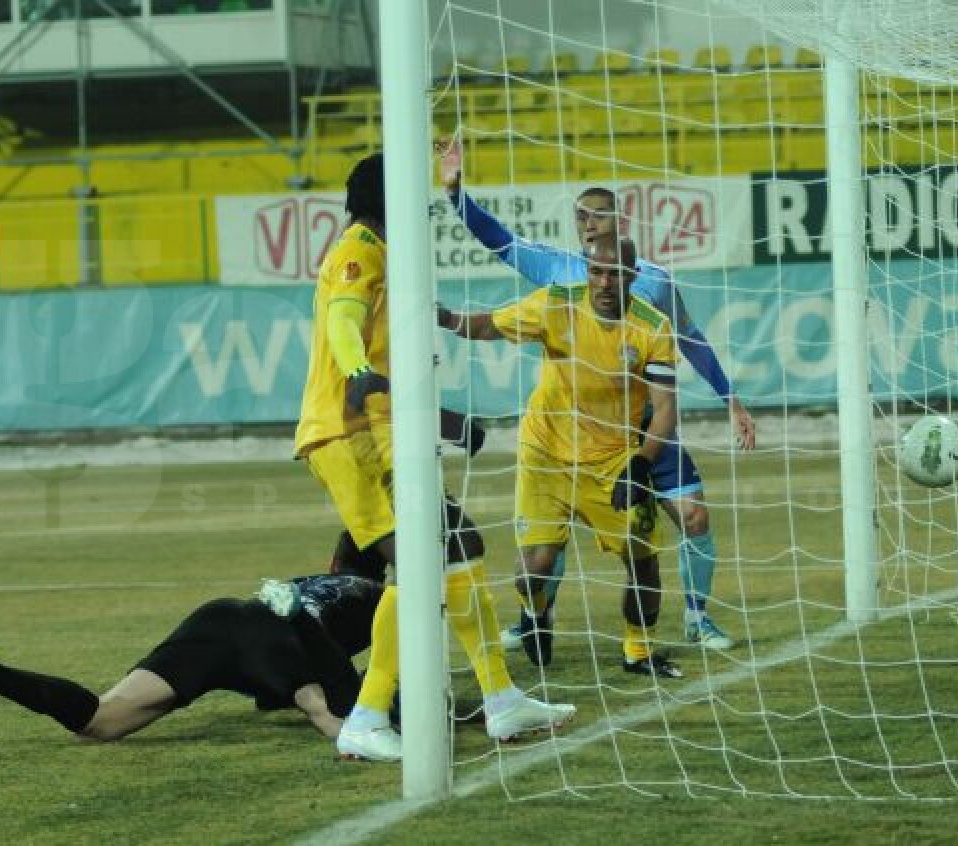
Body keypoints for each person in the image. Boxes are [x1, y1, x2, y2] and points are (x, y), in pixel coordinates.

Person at [294, 152, 576, 762]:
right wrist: (359, 370)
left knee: (460, 546)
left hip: (385, 429)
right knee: (424, 562)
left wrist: (440, 420)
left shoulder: (390, 255)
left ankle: (500, 698)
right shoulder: (360, 247)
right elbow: (344, 321)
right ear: (387, 198)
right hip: (349, 436)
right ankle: (368, 715)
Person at [439, 140, 756, 654]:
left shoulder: (652, 280)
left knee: (693, 516)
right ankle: (533, 619)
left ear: (620, 220)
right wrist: (456, 195)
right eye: (581, 216)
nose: (588, 223)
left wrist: (729, 398)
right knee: (550, 534)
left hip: (644, 424)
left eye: (598, 215)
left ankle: (697, 618)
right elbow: (498, 241)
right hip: (573, 432)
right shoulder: (557, 270)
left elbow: (691, 338)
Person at [438, 232, 682, 678]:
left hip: (614, 458)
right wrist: (447, 318)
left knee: (643, 558)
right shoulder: (556, 303)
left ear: (632, 276)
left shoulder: (653, 327)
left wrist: (641, 461)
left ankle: (639, 649)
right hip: (546, 451)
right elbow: (491, 325)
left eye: (615, 273)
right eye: (597, 272)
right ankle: (535, 614)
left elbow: (665, 409)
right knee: (535, 569)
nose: (604, 282)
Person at [0, 532, 386, 741]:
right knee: (338, 719)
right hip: (281, 634)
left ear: (332, 563)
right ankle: (357, 741)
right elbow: (338, 660)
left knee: (100, 722)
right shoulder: (379, 596)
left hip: (220, 618)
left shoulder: (318, 578)